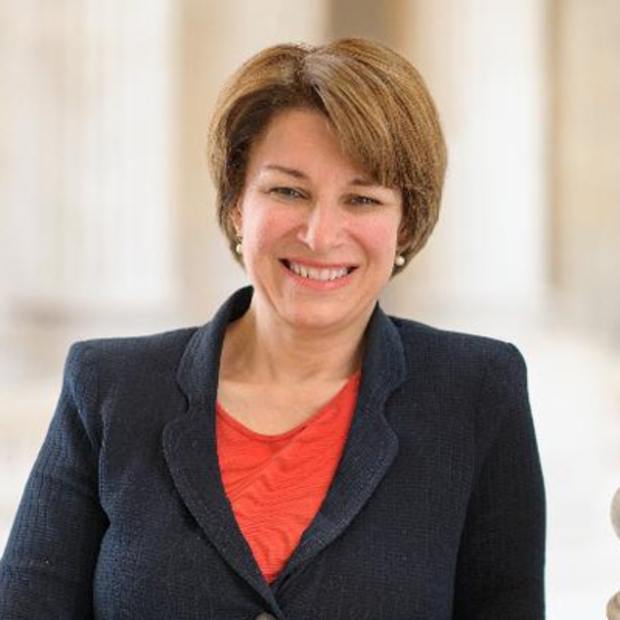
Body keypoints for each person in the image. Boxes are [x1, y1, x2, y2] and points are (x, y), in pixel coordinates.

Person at [0, 38, 545, 619]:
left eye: (361, 199)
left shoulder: (478, 391)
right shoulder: (108, 386)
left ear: (405, 224)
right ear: (237, 200)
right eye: (288, 190)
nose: (318, 233)